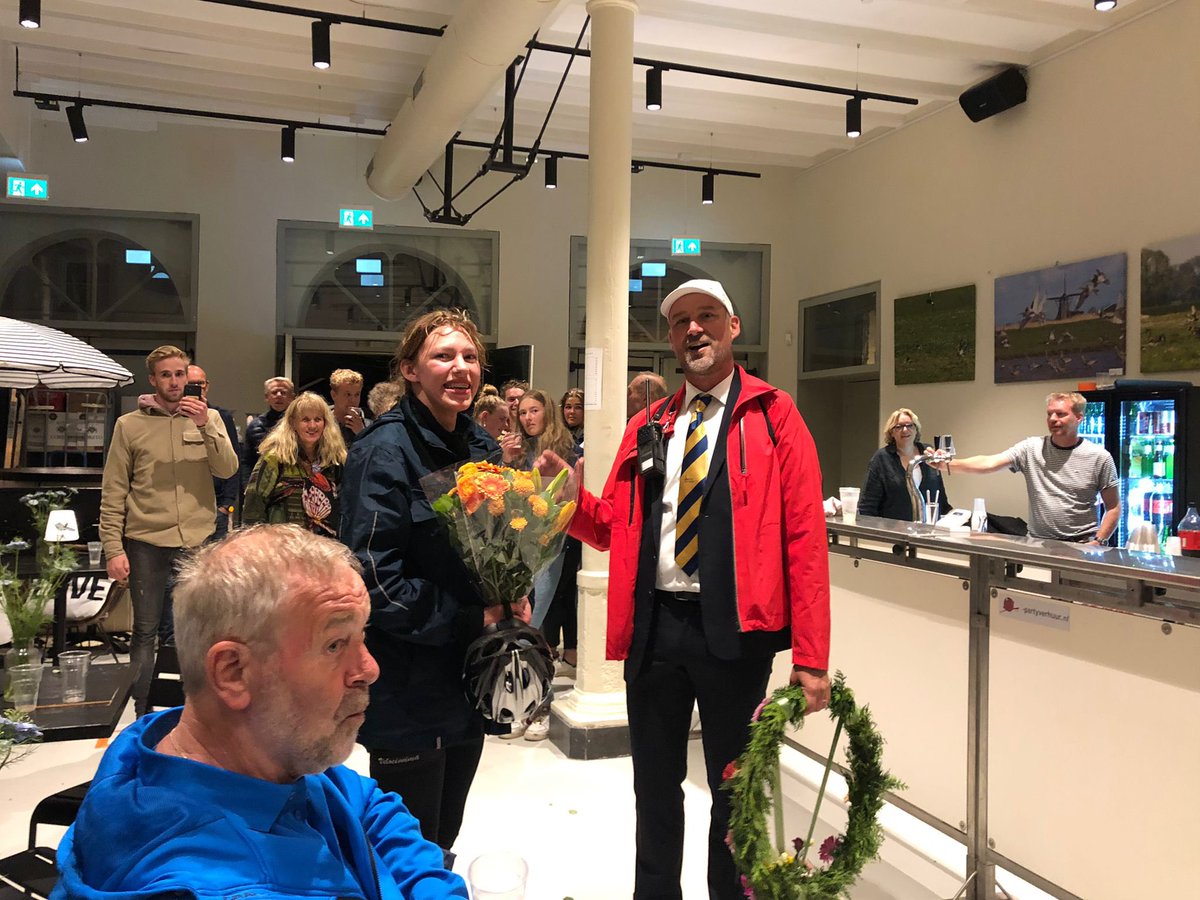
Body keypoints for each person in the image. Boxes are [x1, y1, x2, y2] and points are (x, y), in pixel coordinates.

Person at [546, 278, 830, 900]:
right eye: (681, 322)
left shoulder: (774, 414)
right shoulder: (649, 423)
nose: (694, 330)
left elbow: (806, 538)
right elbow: (612, 528)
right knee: (653, 788)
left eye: (707, 317)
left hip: (737, 631)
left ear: (733, 326)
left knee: (734, 792)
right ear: (671, 339)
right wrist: (569, 501)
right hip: (655, 630)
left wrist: (812, 657)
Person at [51, 525, 468, 900]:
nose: (368, 669)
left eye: (362, 636)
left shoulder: (181, 748)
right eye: (335, 644)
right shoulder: (216, 883)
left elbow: (365, 803)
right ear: (233, 672)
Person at [340, 309, 531, 855]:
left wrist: (515, 592)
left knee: (445, 833)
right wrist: (471, 618)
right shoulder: (383, 450)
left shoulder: (480, 447)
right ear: (410, 370)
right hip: (409, 687)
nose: (460, 368)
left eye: (470, 357)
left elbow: (502, 544)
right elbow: (373, 579)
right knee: (406, 848)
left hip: (471, 681)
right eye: (442, 356)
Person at [100, 346, 238, 717]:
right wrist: (113, 548)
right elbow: (114, 489)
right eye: (166, 375)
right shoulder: (129, 425)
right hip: (146, 541)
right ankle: (142, 712)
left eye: (180, 374)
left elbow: (227, 469)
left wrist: (205, 425)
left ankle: (191, 711)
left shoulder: (210, 419)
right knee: (145, 631)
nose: (175, 382)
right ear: (153, 379)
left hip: (197, 540)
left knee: (194, 631)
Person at [936, 391, 1120, 544]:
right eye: (1049, 414)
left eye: (1060, 414)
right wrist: (947, 465)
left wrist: (1098, 541)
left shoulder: (1099, 457)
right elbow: (988, 463)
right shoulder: (1031, 448)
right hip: (1038, 543)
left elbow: (1113, 507)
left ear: (1079, 417)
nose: (1053, 419)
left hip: (1081, 544)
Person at [503, 388, 581, 741]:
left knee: (536, 626)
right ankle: (522, 704)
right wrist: (507, 461)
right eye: (522, 412)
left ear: (547, 412)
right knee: (519, 627)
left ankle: (540, 705)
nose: (527, 418)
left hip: (551, 547)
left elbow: (573, 499)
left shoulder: (566, 450)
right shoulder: (518, 450)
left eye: (534, 411)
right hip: (517, 547)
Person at [243, 392, 347, 536]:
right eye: (305, 419)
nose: (312, 425)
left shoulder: (334, 460)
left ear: (325, 423)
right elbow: (254, 504)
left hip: (323, 544)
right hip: (282, 543)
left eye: (318, 419)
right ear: (293, 422)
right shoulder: (275, 459)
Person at [859, 407, 951, 521]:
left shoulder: (928, 454)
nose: (905, 430)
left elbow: (941, 499)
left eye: (910, 425)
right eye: (899, 427)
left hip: (929, 528)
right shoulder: (881, 458)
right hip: (892, 529)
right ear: (891, 432)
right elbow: (867, 505)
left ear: (916, 429)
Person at [187, 364, 242, 539]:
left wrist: (227, 504)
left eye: (200, 384)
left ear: (207, 386)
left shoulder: (222, 416)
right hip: (188, 503)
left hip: (218, 503)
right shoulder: (176, 418)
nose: (197, 388)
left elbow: (234, 459)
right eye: (191, 385)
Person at [241, 376, 295, 487]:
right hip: (262, 484)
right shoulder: (255, 426)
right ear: (267, 397)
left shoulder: (300, 425)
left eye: (283, 392)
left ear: (292, 397)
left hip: (293, 483)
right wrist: (247, 487)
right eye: (274, 392)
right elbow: (247, 462)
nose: (279, 395)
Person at [331, 368, 368, 445]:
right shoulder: (321, 423)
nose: (353, 400)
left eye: (357, 394)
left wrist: (361, 433)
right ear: (334, 395)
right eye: (348, 394)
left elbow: (373, 451)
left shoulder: (369, 425)